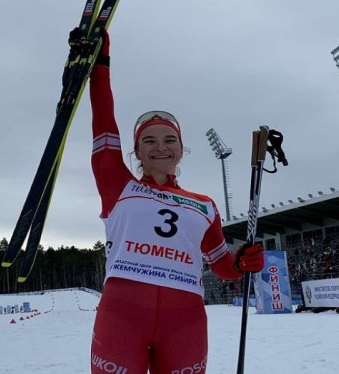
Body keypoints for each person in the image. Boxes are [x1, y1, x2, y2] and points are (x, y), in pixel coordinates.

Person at [87, 28, 264, 374]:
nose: (160, 147)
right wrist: (99, 64)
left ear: (181, 149)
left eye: (169, 139)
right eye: (149, 141)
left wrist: (242, 264)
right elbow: (103, 121)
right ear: (136, 151)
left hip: (184, 322)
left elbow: (222, 266)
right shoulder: (117, 185)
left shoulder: (204, 205)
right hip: (122, 317)